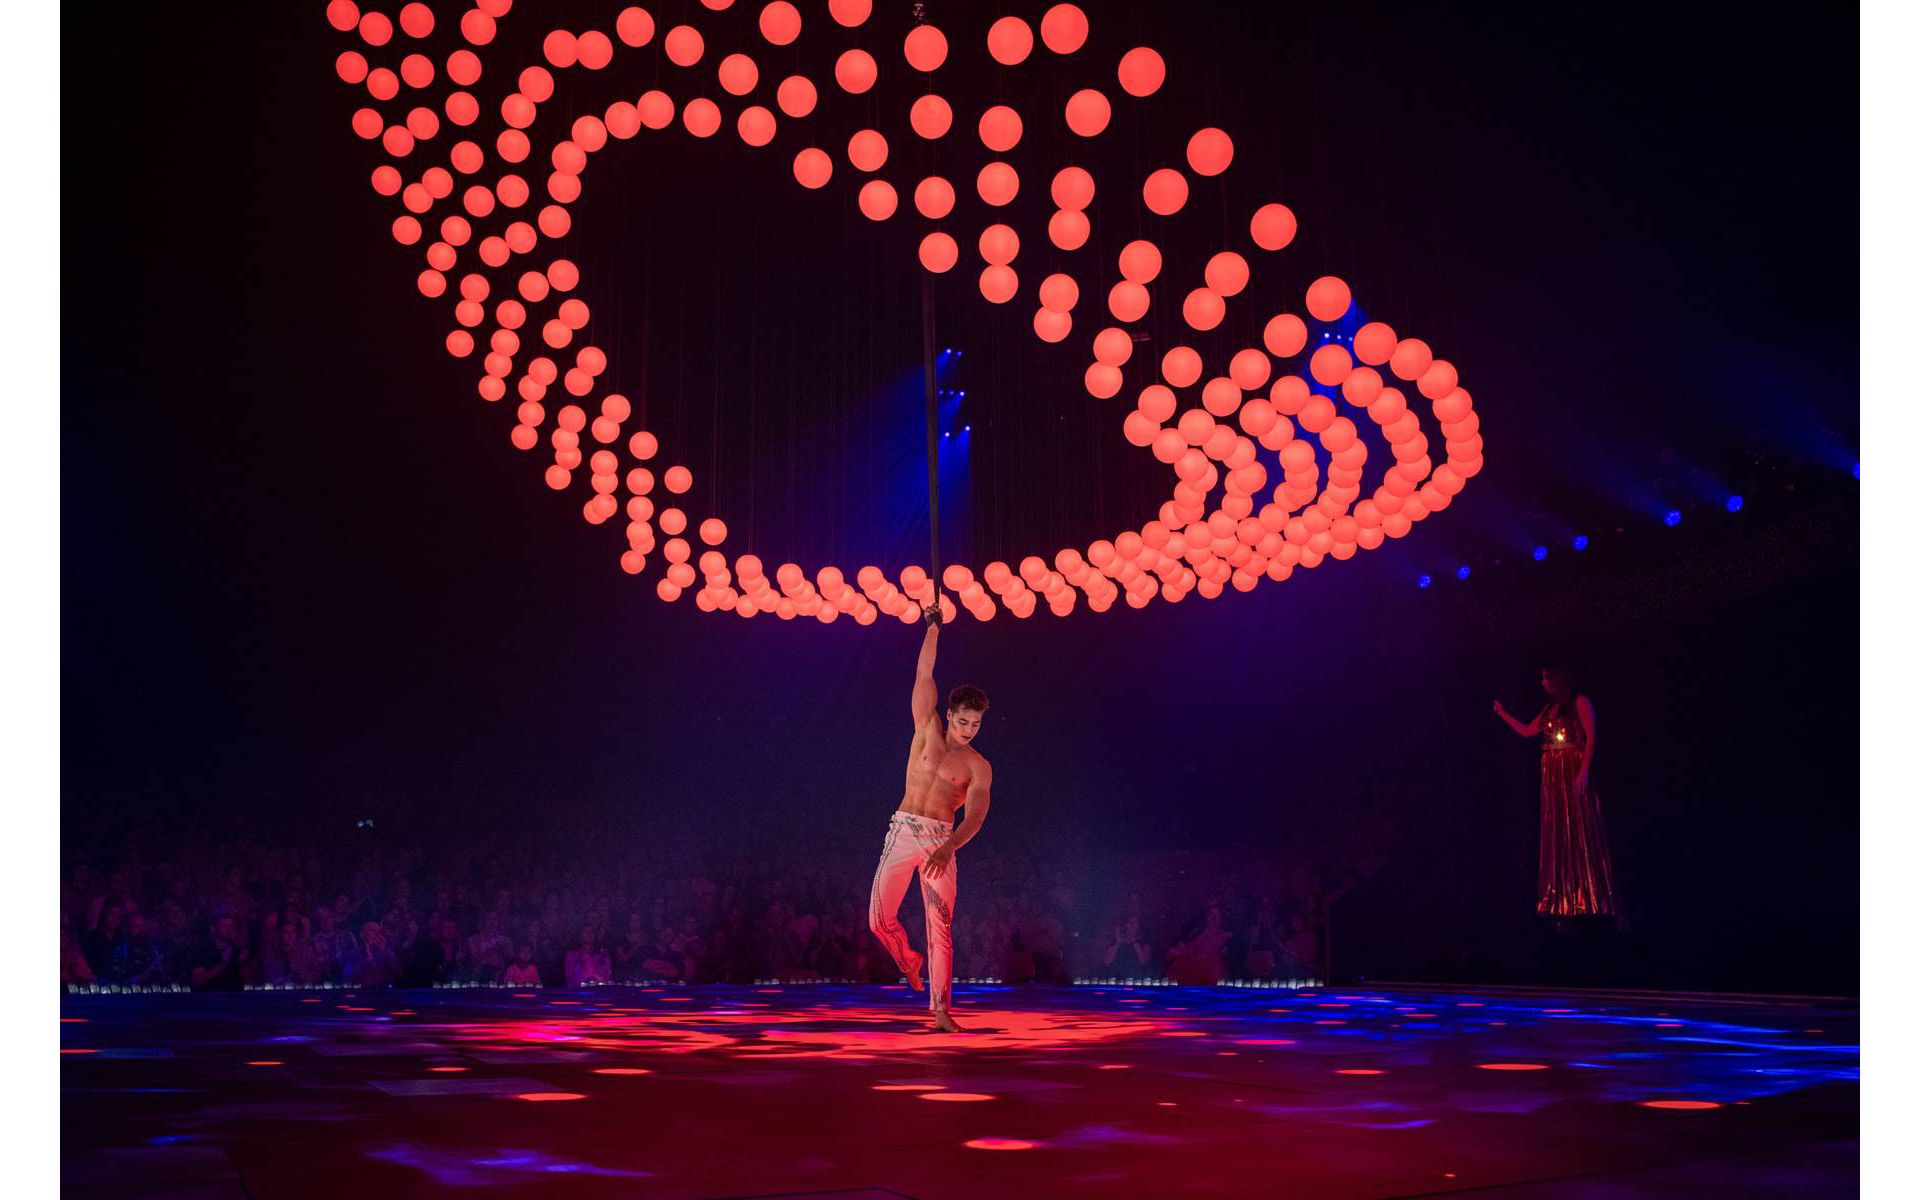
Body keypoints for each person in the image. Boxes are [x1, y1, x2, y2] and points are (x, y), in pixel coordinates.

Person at [867, 604, 994, 1033]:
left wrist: (949, 846)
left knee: (941, 928)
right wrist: (933, 628)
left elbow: (976, 816)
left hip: (942, 839)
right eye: (963, 721)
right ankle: (907, 958)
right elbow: (924, 675)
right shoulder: (926, 727)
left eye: (975, 724)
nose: (968, 729)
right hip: (904, 829)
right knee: (878, 920)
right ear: (951, 714)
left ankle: (941, 1010)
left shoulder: (978, 766)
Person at [1495, 663, 1623, 926]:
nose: (1542, 683)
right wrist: (1502, 714)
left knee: (1581, 828)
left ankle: (1595, 898)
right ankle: (1564, 902)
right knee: (1559, 831)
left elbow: (1591, 737)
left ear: (1557, 679)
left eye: (1545, 678)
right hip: (1553, 775)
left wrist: (1584, 770)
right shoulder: (1549, 709)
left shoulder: (1580, 702)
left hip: (1572, 769)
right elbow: (1527, 731)